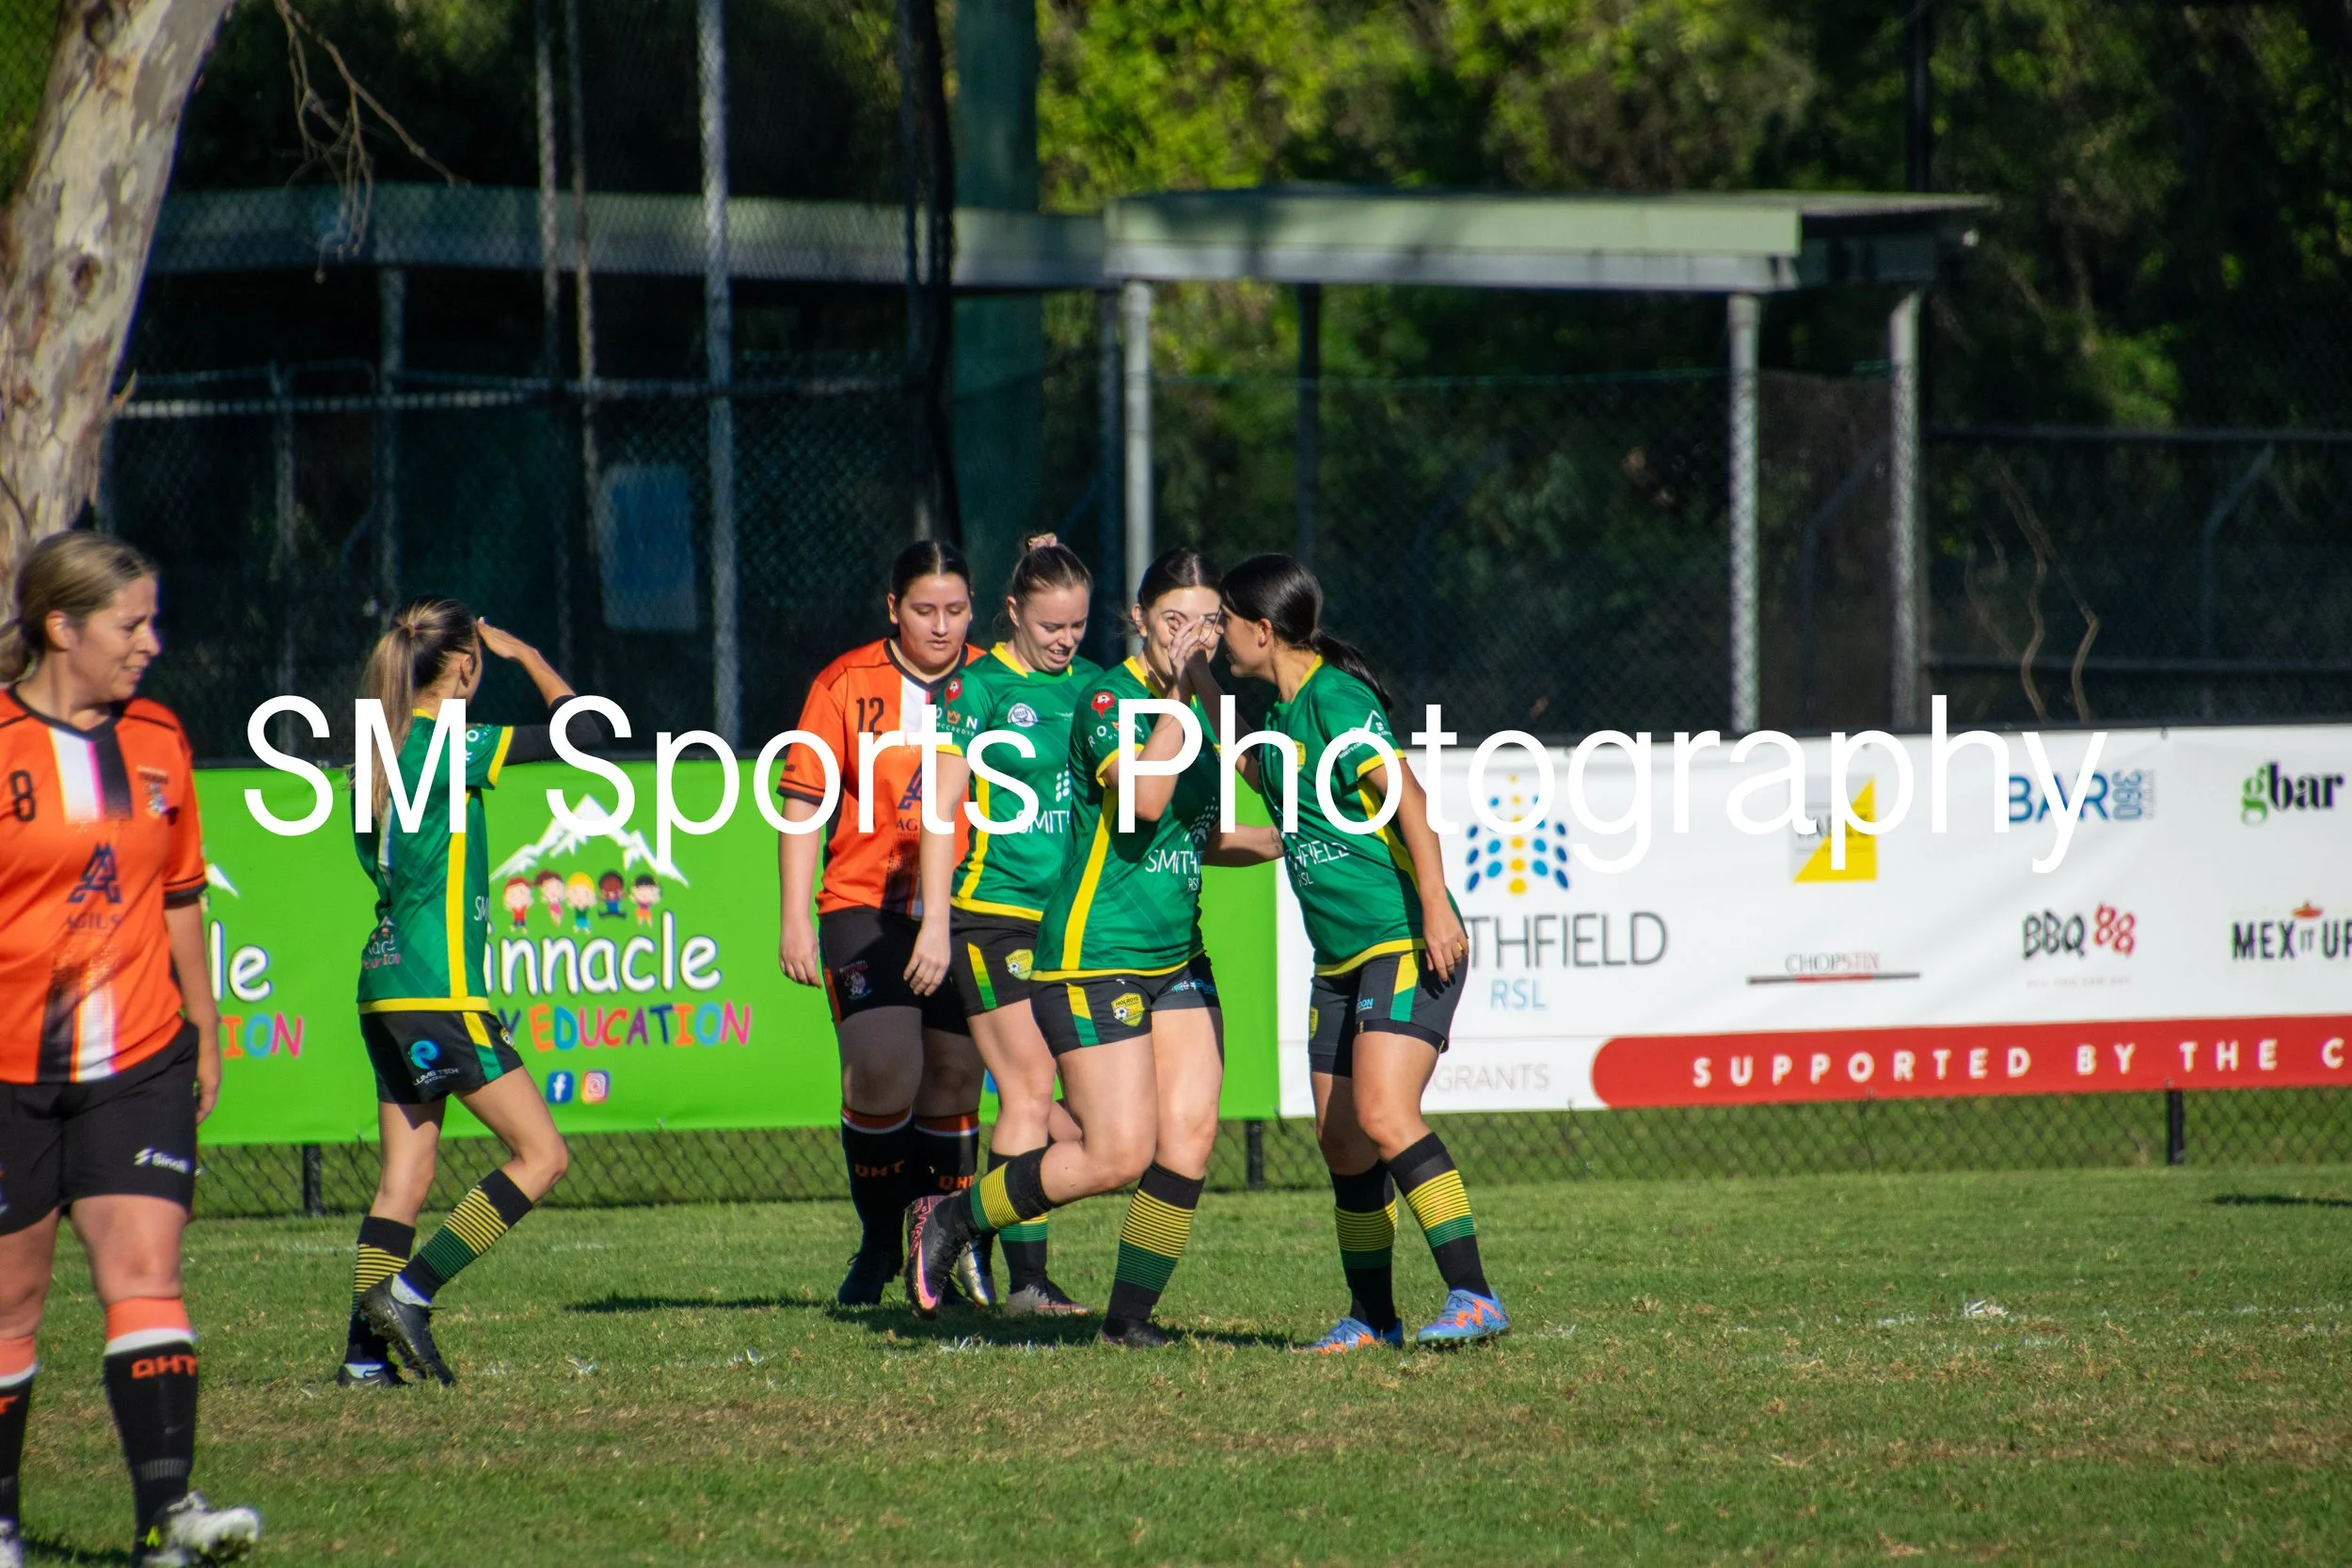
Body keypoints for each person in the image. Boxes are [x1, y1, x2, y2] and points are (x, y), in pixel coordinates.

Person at [906, 548, 1281, 1348]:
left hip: (1177, 953)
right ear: (1141, 619)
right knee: (1115, 1152)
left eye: (1207, 622)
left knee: (1190, 1137)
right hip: (1095, 952)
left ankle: (1127, 1319)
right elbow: (1144, 800)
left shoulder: (1204, 709)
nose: (1192, 636)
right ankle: (955, 1216)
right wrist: (1181, 698)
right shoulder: (1109, 697)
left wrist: (1295, 835)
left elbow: (1201, 834)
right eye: (1174, 620)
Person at [0, 533, 262, 1566]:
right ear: (61, 627)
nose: (152, 642)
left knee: (146, 1268)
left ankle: (167, 1515)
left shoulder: (158, 736)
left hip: (140, 1055)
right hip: (10, 1072)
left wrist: (206, 1024)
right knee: (11, 1302)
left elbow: (182, 892)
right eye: (131, 623)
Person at [1217, 554, 1505, 1348]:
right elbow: (1246, 762)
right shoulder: (1283, 719)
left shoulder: (1336, 700)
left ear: (1262, 630)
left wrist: (1436, 906)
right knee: (1342, 1139)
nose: (1219, 636)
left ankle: (1475, 1294)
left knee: (1382, 1114)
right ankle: (1373, 1317)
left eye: (1224, 623)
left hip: (1401, 940)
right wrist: (1187, 680)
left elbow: (1411, 801)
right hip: (1339, 960)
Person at [343, 598, 608, 1388]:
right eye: (479, 660)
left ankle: (364, 1359)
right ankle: (410, 1294)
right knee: (543, 1155)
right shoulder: (445, 741)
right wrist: (528, 655)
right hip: (441, 988)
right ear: (463, 664)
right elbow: (588, 730)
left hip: (383, 984)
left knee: (404, 1179)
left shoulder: (377, 748)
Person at [777, 543, 988, 1307]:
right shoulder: (844, 683)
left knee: (955, 1075)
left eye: (956, 609)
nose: (941, 625)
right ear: (893, 607)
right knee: (882, 1068)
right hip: (865, 903)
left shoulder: (993, 681)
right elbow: (802, 802)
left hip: (970, 907)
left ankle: (941, 1250)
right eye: (924, 609)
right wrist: (793, 918)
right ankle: (878, 1239)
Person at [910, 535, 1098, 1317]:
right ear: (1014, 611)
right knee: (1026, 1088)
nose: (1065, 640)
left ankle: (958, 1219)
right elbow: (940, 812)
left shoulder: (1096, 688)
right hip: (993, 918)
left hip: (1073, 927)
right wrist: (933, 924)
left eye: (1078, 625)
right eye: (1051, 625)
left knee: (1094, 1123)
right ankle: (1028, 1284)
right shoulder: (977, 690)